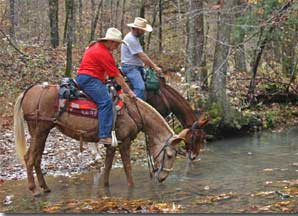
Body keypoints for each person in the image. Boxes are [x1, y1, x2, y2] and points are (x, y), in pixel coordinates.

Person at [76, 27, 136, 146]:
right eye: (117, 45)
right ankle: (104, 135)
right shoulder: (103, 53)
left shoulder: (95, 46)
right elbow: (117, 76)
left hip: (88, 76)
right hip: (89, 79)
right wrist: (129, 91)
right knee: (106, 102)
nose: (117, 47)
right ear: (111, 42)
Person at [121, 17, 162, 100]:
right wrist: (155, 67)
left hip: (137, 67)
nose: (143, 32)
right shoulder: (130, 39)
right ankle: (135, 108)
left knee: (151, 84)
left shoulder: (134, 38)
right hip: (130, 68)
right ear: (137, 29)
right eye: (142, 30)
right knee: (140, 88)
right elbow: (142, 55)